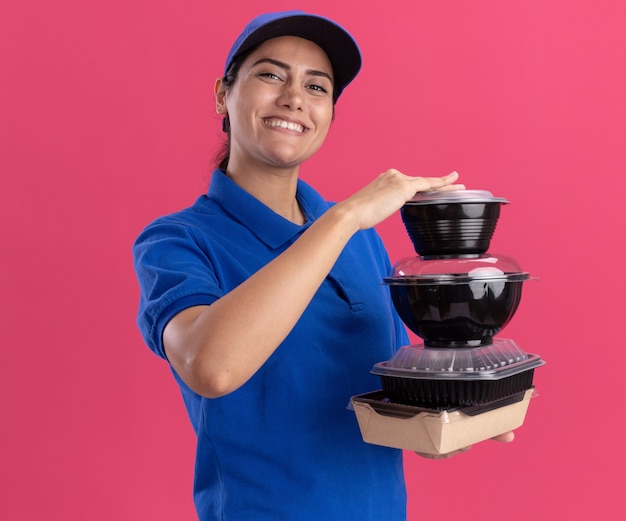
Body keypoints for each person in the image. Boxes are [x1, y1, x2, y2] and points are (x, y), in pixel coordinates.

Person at [133, 10, 511, 520]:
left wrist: (455, 419)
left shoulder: (362, 243)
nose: (294, 99)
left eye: (317, 87)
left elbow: (388, 403)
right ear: (223, 94)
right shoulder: (178, 241)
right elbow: (212, 367)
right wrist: (345, 216)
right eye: (270, 75)